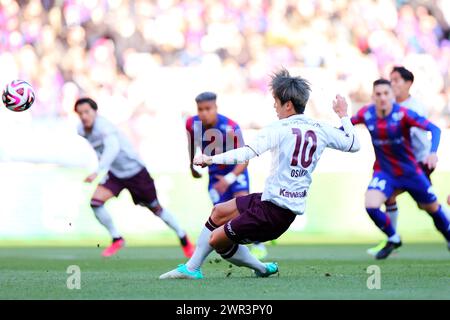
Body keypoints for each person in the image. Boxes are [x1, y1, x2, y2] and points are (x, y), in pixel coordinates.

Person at [159, 68, 360, 279]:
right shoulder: (320, 128)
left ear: (288, 104)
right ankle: (193, 268)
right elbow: (354, 144)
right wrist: (343, 115)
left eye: (276, 101)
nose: (274, 106)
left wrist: (210, 159)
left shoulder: (278, 128)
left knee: (217, 241)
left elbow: (247, 153)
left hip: (274, 214)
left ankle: (256, 268)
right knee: (219, 211)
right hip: (270, 202)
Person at [75, 97, 194, 257]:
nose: (83, 116)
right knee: (95, 202)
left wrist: (98, 170)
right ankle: (117, 238)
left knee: (156, 209)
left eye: (87, 112)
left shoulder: (104, 127)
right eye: (80, 113)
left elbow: (113, 148)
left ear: (95, 112)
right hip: (115, 174)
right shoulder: (81, 130)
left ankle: (183, 237)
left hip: (136, 173)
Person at [351, 79, 450, 260]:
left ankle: (449, 235)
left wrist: (433, 153)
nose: (382, 98)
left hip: (411, 173)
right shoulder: (366, 114)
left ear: (392, 96)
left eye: (386, 93)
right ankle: (393, 238)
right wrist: (341, 117)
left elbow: (435, 129)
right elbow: (346, 126)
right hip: (385, 172)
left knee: (431, 207)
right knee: (371, 205)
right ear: (373, 96)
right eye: (378, 94)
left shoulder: (403, 114)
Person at [185, 92, 268, 259]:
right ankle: (238, 250)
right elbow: (192, 143)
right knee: (221, 215)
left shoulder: (231, 127)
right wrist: (192, 166)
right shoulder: (191, 123)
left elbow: (245, 160)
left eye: (208, 109)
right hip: (215, 175)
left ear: (215, 107)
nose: (204, 113)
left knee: (244, 207)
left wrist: (229, 179)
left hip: (236, 172)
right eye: (200, 109)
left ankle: (258, 244)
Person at [367, 66, 432, 255]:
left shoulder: (414, 107)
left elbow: (419, 133)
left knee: (427, 205)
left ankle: (392, 239)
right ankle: (392, 239)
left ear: (408, 83)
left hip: (418, 162)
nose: (392, 83)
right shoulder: (389, 105)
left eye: (396, 80)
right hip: (401, 164)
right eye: (391, 80)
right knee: (391, 196)